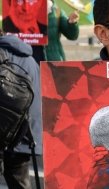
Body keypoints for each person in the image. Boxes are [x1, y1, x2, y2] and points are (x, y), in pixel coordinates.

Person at [0, 31, 42, 189]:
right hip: (28, 133)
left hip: (6, 133)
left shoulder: (2, 54)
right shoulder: (31, 59)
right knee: (20, 182)